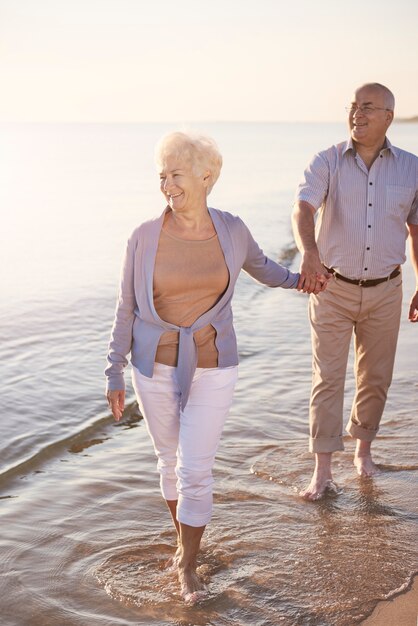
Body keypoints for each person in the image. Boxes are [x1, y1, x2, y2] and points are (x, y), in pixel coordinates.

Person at [105, 131, 300, 603]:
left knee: (195, 468)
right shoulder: (143, 237)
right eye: (161, 176)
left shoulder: (232, 229)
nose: (167, 185)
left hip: (213, 364)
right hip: (153, 367)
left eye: (176, 174)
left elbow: (265, 268)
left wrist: (304, 280)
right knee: (168, 463)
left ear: (206, 176)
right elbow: (126, 306)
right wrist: (114, 370)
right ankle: (183, 542)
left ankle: (188, 565)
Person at [292, 82, 418, 501]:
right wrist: (308, 253)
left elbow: (416, 231)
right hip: (332, 287)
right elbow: (304, 207)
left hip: (387, 288)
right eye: (353, 106)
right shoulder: (327, 160)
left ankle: (363, 451)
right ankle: (322, 471)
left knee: (376, 377)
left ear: (388, 116)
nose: (357, 114)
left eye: (368, 107)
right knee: (326, 378)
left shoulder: (411, 168)